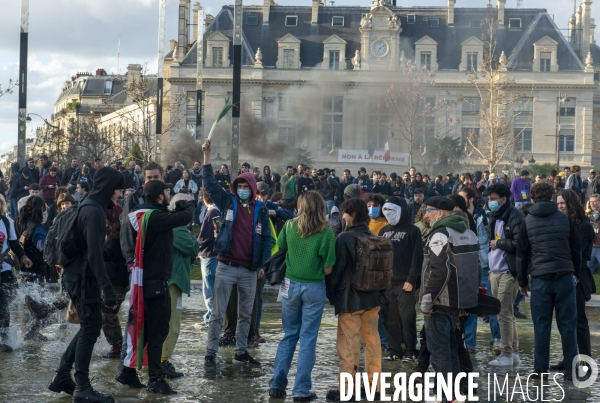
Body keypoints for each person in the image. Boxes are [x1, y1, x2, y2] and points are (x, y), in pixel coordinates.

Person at [48, 167, 124, 403]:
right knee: (91, 329)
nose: (120, 194)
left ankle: (62, 376)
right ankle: (82, 387)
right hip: (82, 277)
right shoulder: (93, 212)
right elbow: (94, 254)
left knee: (88, 327)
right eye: (118, 189)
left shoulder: (89, 205)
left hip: (75, 274)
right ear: (109, 188)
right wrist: (107, 288)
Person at [115, 180, 194, 395]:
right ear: (160, 196)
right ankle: (155, 379)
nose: (169, 194)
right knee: (158, 332)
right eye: (167, 192)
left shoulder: (146, 214)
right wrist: (189, 205)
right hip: (155, 282)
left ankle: (128, 372)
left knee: (145, 330)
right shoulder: (152, 216)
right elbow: (185, 218)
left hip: (146, 281)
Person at [201, 138, 273, 368]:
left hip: (249, 270)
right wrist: (207, 157)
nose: (242, 190)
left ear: (252, 189)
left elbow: (267, 240)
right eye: (239, 186)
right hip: (226, 267)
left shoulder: (260, 210)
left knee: (245, 315)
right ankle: (210, 353)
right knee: (217, 314)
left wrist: (261, 264)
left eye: (245, 187)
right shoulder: (228, 202)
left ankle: (242, 351)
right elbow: (210, 184)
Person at [268, 191, 335, 401]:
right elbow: (328, 269)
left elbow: (281, 246)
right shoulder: (326, 232)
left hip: (290, 285)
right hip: (314, 287)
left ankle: (276, 386)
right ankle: (301, 390)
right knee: (308, 339)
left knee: (289, 335)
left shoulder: (289, 226)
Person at [517, 182, 580, 381]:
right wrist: (575, 273)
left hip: (540, 279)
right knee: (568, 326)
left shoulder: (527, 222)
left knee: (541, 326)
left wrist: (522, 281)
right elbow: (576, 249)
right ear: (552, 197)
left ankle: (540, 371)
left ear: (532, 199)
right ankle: (571, 370)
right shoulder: (564, 219)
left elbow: (522, 255)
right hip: (564, 277)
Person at [419, 196, 480, 402]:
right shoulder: (469, 233)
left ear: (441, 213)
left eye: (429, 210)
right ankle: (455, 395)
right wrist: (468, 302)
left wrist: (426, 302)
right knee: (453, 349)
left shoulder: (440, 234)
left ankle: (446, 396)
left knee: (440, 353)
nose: (425, 215)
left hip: (440, 302)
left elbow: (438, 272)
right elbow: (475, 270)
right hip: (459, 302)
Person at [325, 198, 382, 402]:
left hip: (350, 301)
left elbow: (337, 272)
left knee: (349, 346)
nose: (343, 217)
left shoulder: (344, 238)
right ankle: (374, 388)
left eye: (345, 214)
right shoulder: (374, 236)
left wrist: (332, 296)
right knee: (373, 343)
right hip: (373, 299)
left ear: (354, 215)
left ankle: (347, 390)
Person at [550, 189, 594, 371]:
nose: (560, 206)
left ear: (571, 204)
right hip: (563, 274)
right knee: (564, 320)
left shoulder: (584, 225)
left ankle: (585, 362)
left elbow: (577, 252)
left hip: (577, 276)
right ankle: (569, 357)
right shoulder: (560, 223)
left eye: (563, 203)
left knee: (579, 322)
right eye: (558, 203)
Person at [483, 183, 524, 366]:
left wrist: (498, 244)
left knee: (504, 313)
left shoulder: (515, 217)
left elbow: (520, 244)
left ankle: (507, 354)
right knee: (506, 313)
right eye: (489, 198)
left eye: (493, 199)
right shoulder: (494, 216)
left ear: (503, 199)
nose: (490, 202)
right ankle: (513, 352)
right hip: (496, 271)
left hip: (509, 271)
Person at [161, 194, 200, 379]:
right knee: (172, 325)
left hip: (169, 278)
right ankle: (163, 360)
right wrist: (194, 240)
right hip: (174, 280)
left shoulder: (168, 222)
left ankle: (159, 360)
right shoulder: (178, 227)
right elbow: (193, 247)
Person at [379, 196, 423, 362]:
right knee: (390, 319)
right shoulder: (383, 231)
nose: (388, 213)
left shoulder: (413, 231)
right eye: (386, 210)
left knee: (407, 317)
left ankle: (411, 349)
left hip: (405, 282)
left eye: (391, 210)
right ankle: (394, 350)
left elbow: (417, 258)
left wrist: (412, 280)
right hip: (388, 283)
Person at [0, 194, 32, 352]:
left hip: (4, 270)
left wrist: (23, 256)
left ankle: (5, 339)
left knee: (3, 305)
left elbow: (13, 243)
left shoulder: (6, 222)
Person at [101, 203, 128, 360]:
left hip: (116, 282)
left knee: (108, 314)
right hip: (112, 280)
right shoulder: (112, 234)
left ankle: (117, 346)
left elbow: (109, 254)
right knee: (105, 313)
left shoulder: (118, 236)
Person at [198, 187, 220, 326]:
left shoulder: (212, 211)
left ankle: (212, 317)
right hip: (214, 254)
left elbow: (206, 236)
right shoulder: (217, 211)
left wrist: (196, 244)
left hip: (209, 254)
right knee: (211, 288)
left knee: (209, 289)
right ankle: (211, 315)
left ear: (204, 198)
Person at [587, 194, 600, 273]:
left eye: (594, 201)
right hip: (592, 247)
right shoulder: (588, 215)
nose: (592, 203)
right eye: (591, 202)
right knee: (586, 272)